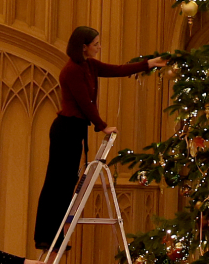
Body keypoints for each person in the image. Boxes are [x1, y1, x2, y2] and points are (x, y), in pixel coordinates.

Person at [33, 26, 166, 249]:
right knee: (56, 184)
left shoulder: (89, 65)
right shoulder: (71, 70)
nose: (99, 47)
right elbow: (85, 103)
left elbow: (118, 70)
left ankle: (56, 237)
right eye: (96, 44)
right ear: (84, 47)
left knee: (67, 185)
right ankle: (45, 237)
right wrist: (102, 126)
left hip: (75, 130)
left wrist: (149, 64)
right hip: (65, 130)